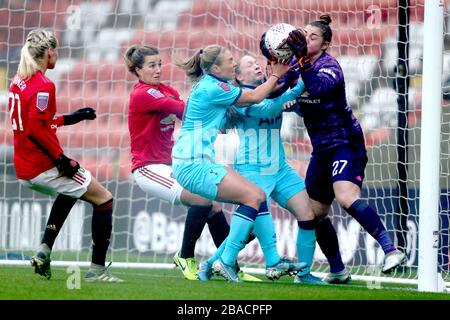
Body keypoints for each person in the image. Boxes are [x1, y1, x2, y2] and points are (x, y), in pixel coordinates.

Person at [282, 14, 407, 277]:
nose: (305, 39)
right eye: (304, 34)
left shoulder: (330, 67)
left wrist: (299, 71)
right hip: (321, 149)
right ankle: (338, 270)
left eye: (312, 36)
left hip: (345, 143)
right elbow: (284, 89)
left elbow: (315, 88)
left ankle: (391, 250)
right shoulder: (296, 64)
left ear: (325, 44)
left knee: (346, 196)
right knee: (314, 214)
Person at [123, 45, 259, 281]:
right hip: (148, 168)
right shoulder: (143, 93)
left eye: (159, 64)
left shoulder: (167, 90)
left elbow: (192, 121)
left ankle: (229, 266)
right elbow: (185, 111)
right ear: (137, 70)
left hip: (172, 165)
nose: (157, 70)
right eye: (151, 66)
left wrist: (222, 116)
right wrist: (225, 101)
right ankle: (185, 256)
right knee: (203, 200)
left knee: (213, 206)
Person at [172, 45, 304, 283]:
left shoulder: (212, 87)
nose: (233, 64)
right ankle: (226, 261)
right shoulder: (214, 88)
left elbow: (230, 114)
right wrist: (277, 75)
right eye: (230, 60)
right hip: (192, 163)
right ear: (215, 68)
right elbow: (253, 97)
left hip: (193, 161)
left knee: (256, 197)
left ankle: (232, 261)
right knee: (253, 197)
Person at [197, 54, 325, 284]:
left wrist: (294, 92)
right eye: (248, 64)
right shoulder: (241, 100)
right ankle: (212, 263)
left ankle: (303, 275)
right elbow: (268, 109)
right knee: (249, 230)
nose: (256, 65)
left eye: (257, 63)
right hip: (252, 169)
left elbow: (282, 102)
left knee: (308, 214)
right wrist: (303, 81)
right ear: (238, 75)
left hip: (280, 168)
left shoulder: (271, 90)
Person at [8, 29, 122, 282]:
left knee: (72, 190)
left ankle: (44, 250)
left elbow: (38, 122)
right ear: (49, 52)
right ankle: (97, 270)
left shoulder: (19, 81)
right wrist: (61, 160)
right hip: (42, 164)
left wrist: (74, 117)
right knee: (104, 199)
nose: (57, 55)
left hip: (25, 165)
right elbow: (36, 129)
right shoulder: (43, 84)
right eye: (56, 50)